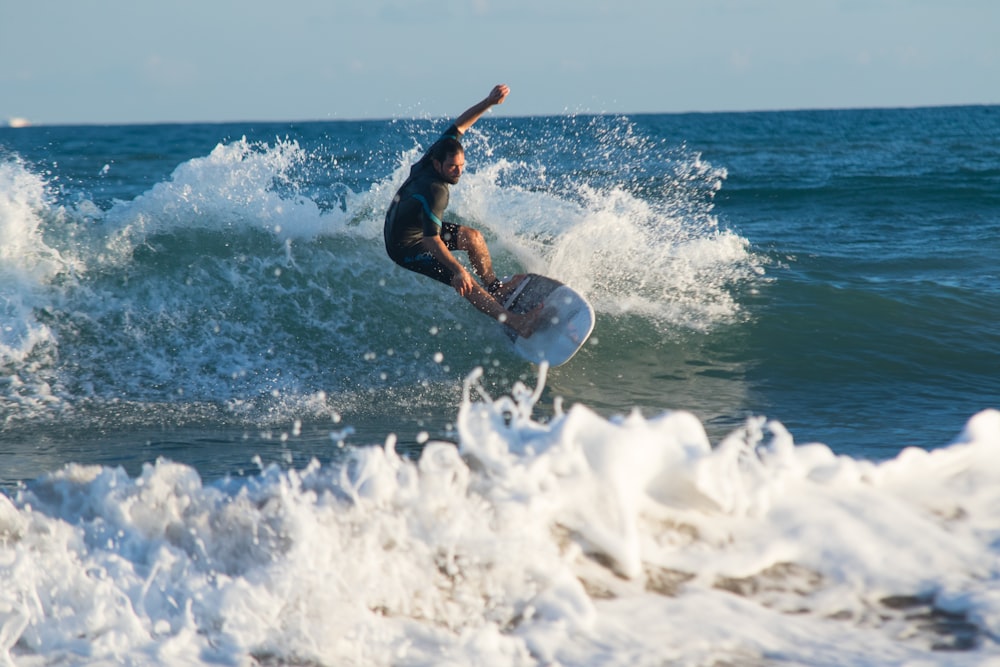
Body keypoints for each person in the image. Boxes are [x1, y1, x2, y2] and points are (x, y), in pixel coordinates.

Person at [384, 84, 538, 338]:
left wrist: (488, 102)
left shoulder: (439, 151)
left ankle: (496, 288)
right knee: (464, 279)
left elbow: (460, 126)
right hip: (405, 246)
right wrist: (457, 270)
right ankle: (516, 323)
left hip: (412, 225)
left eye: (462, 166)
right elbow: (430, 240)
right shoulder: (435, 190)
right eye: (453, 167)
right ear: (438, 164)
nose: (459, 172)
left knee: (473, 237)